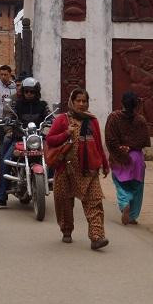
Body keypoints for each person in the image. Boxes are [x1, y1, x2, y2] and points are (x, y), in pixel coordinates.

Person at [45, 88, 109, 249]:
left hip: (89, 171)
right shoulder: (62, 120)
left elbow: (98, 144)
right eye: (78, 100)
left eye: (84, 101)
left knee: (94, 202)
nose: (81, 104)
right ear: (72, 102)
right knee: (64, 203)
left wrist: (105, 164)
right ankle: (66, 230)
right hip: (66, 170)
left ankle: (97, 236)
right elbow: (50, 140)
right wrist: (66, 133)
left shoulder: (92, 121)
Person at [0, 77, 50, 206]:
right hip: (20, 139)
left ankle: (52, 182)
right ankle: (1, 195)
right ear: (23, 92)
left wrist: (52, 120)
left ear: (37, 92)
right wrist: (8, 120)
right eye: (27, 91)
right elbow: (10, 114)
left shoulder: (43, 105)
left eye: (32, 92)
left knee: (53, 157)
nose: (29, 94)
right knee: (5, 161)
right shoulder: (17, 105)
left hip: (38, 139)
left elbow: (49, 115)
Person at [105, 91, 151, 226]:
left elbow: (110, 139)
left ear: (122, 103)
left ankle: (125, 201)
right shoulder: (140, 120)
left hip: (119, 157)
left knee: (119, 183)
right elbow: (144, 141)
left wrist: (120, 150)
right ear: (136, 104)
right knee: (137, 187)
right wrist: (131, 147)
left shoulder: (113, 117)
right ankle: (132, 216)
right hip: (136, 158)